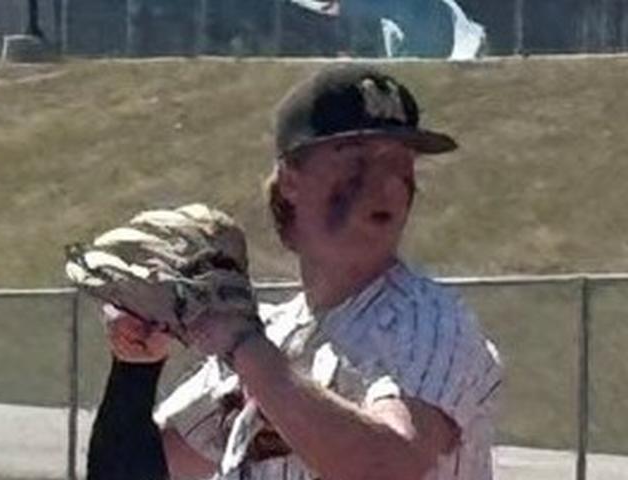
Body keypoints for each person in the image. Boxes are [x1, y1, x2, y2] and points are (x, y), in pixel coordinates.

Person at [88, 64, 502, 480]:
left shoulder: (429, 322)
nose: (388, 184)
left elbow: (386, 467)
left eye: (400, 162)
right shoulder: (269, 335)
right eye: (356, 159)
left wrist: (245, 348)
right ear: (290, 180)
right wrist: (135, 367)